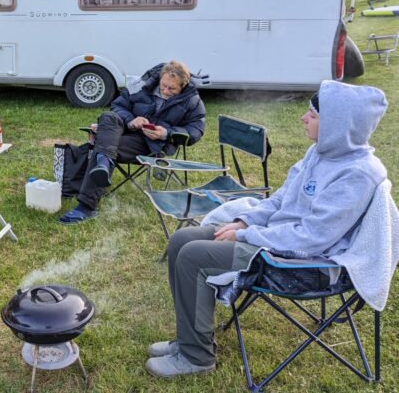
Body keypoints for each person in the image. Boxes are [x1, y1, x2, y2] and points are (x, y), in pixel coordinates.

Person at [146, 80, 388, 378]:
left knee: (194, 256)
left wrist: (247, 235)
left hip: (303, 264)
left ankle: (197, 358)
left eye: (312, 116)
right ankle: (189, 339)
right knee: (182, 239)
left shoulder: (358, 174)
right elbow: (280, 202)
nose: (303, 118)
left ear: (338, 126)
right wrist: (244, 222)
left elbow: (312, 238)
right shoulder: (319, 154)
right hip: (276, 241)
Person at [59, 61, 206, 224]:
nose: (165, 90)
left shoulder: (192, 101)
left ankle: (86, 205)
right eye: (163, 85)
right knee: (108, 117)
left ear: (183, 86)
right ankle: (103, 164)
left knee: (104, 145)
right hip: (126, 131)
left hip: (151, 145)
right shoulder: (141, 85)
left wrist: (165, 133)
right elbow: (117, 106)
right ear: (160, 78)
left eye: (172, 89)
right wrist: (131, 121)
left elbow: (195, 131)